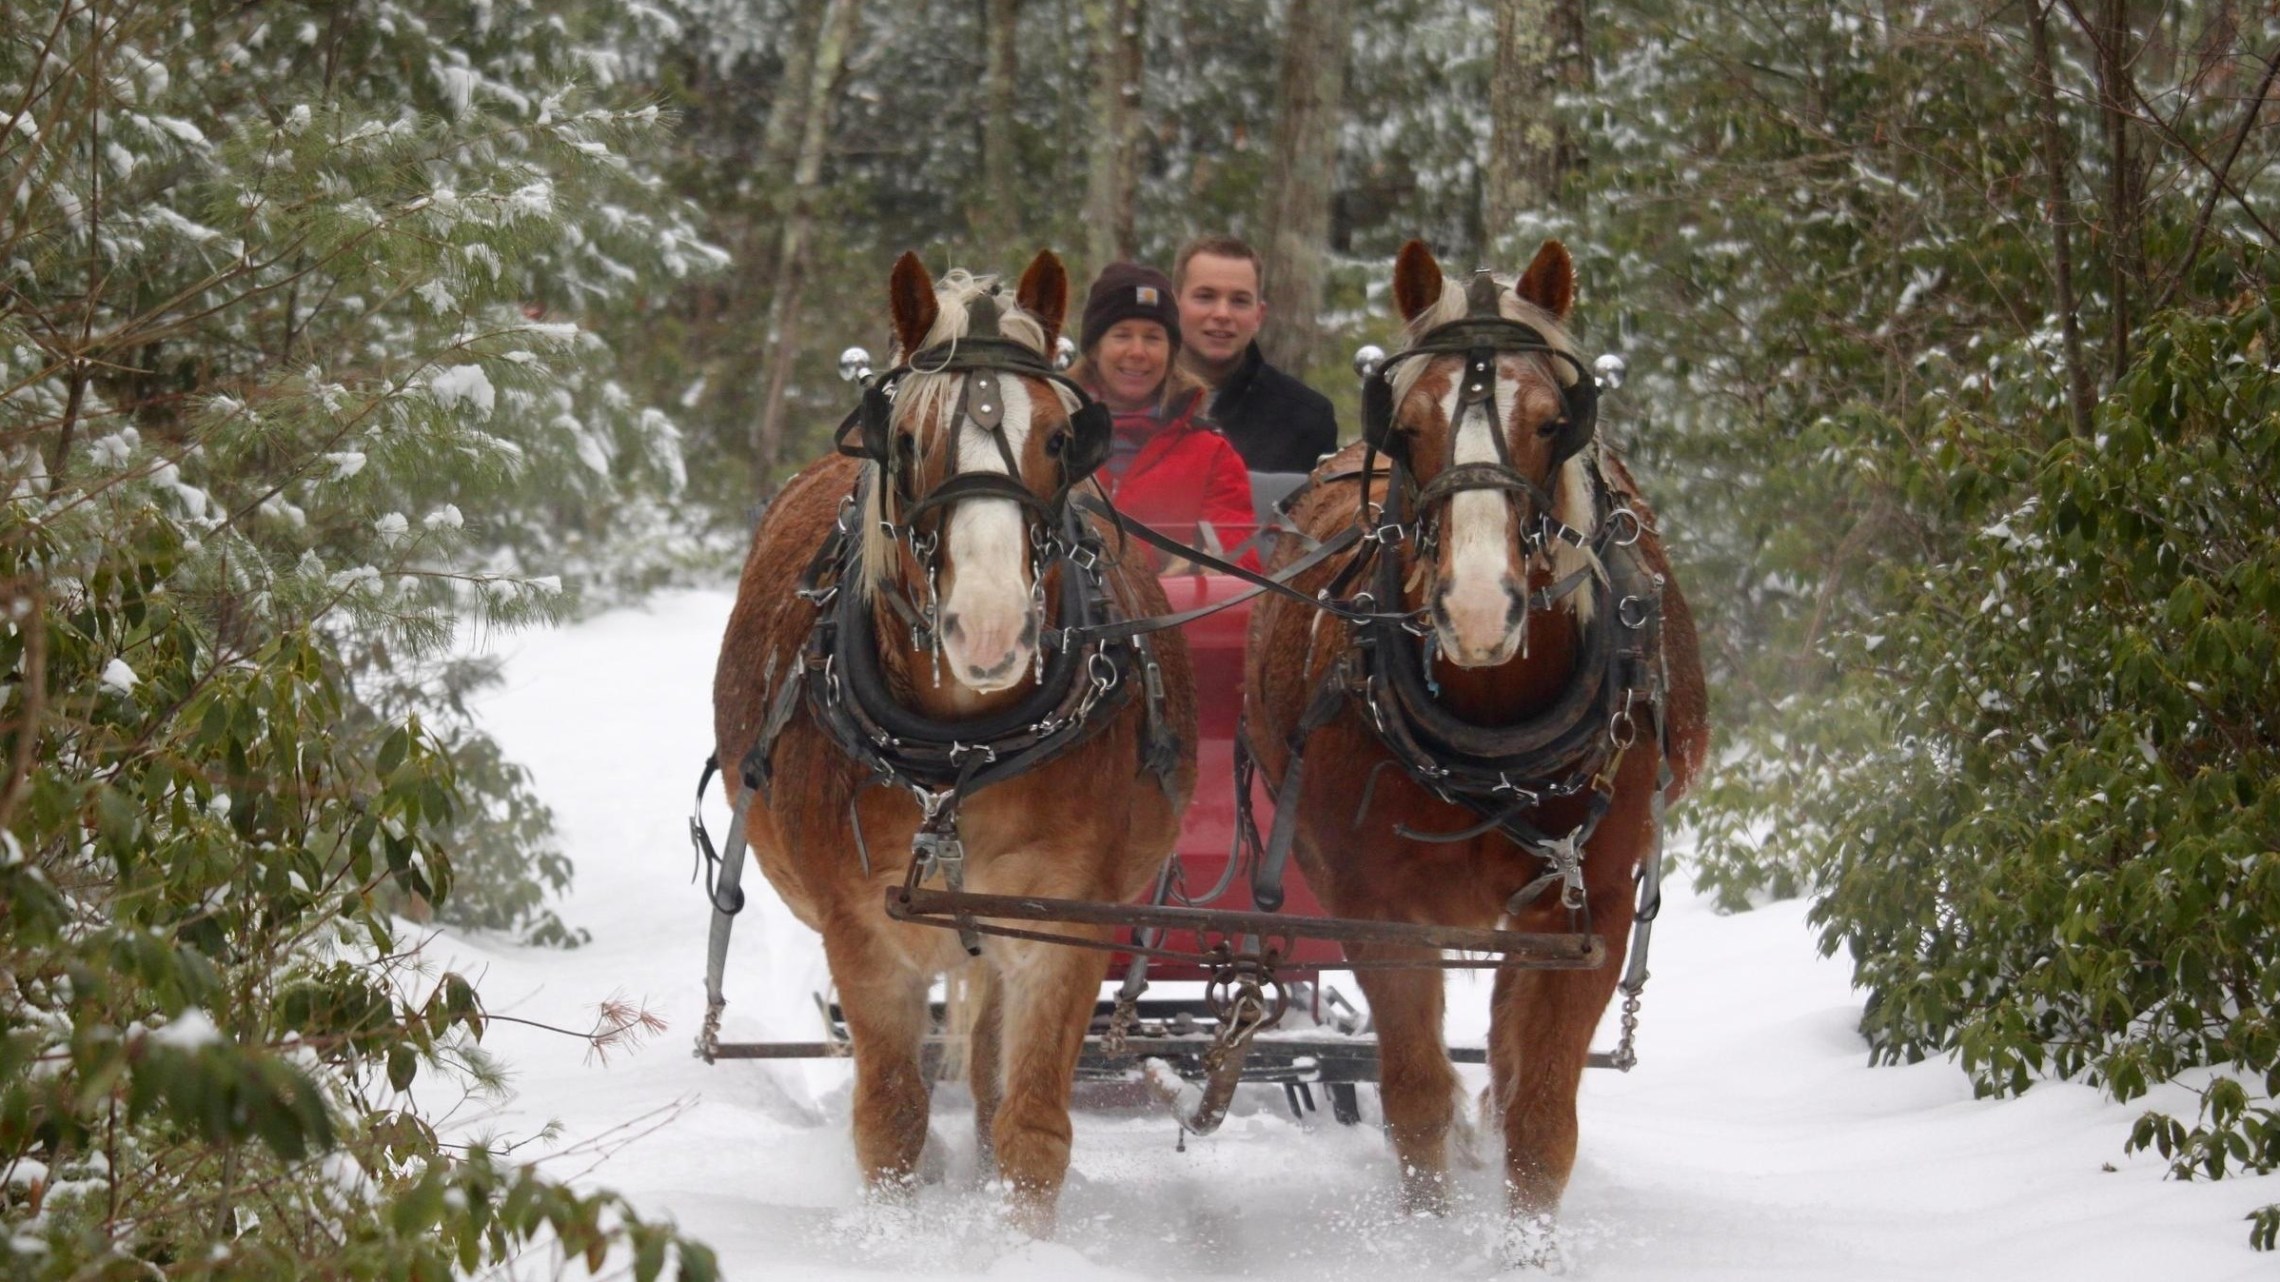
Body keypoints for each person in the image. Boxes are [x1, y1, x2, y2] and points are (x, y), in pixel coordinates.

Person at [1069, 262, 1258, 570]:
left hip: (1173, 615)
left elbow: (1240, 562)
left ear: (1171, 353)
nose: (1138, 351)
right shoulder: (1053, 441)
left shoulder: (1212, 455)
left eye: (1153, 337)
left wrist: (1203, 564)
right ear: (1094, 348)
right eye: (1122, 335)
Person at [1172, 235, 1339, 474]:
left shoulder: (1307, 419)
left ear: (1259, 316)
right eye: (1205, 296)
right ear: (1173, 305)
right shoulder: (1127, 402)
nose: (1222, 314)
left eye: (1239, 301)